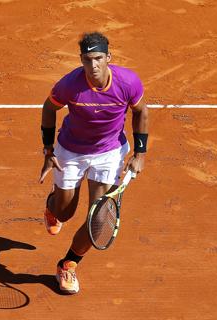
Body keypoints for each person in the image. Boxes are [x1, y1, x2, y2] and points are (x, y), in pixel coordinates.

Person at [38, 32, 149, 294]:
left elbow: (141, 111)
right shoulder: (69, 85)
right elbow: (48, 108)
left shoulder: (128, 82)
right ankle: (53, 205)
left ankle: (68, 264)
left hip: (108, 152)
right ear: (81, 60)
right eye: (87, 60)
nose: (94, 65)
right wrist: (47, 149)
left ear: (108, 57)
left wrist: (140, 154)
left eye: (99, 58)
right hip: (71, 150)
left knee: (98, 220)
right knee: (65, 213)